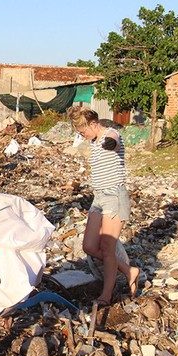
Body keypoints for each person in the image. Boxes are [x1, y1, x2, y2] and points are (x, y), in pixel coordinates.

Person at [67, 106, 140, 306]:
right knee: (89, 246)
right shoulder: (93, 141)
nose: (82, 135)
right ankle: (128, 270)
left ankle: (106, 295)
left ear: (93, 124)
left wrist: (110, 143)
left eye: (83, 131)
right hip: (98, 198)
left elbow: (115, 142)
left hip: (114, 197)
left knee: (108, 249)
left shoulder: (110, 134)